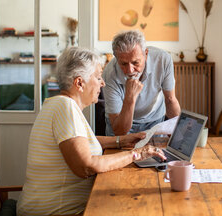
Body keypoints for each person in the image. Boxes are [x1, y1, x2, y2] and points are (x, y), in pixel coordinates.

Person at [17, 47, 165, 216]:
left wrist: (121, 141)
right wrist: (138, 154)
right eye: (98, 77)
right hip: (54, 211)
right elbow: (86, 167)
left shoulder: (58, 104)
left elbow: (82, 142)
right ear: (79, 83)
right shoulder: (66, 107)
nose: (102, 83)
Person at [102, 30, 181, 136]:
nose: (130, 70)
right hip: (120, 122)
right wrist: (130, 98)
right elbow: (120, 130)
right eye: (124, 64)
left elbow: (170, 100)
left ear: (146, 54)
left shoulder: (163, 60)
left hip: (154, 120)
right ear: (116, 58)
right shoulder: (109, 73)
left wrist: (179, 133)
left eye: (135, 62)